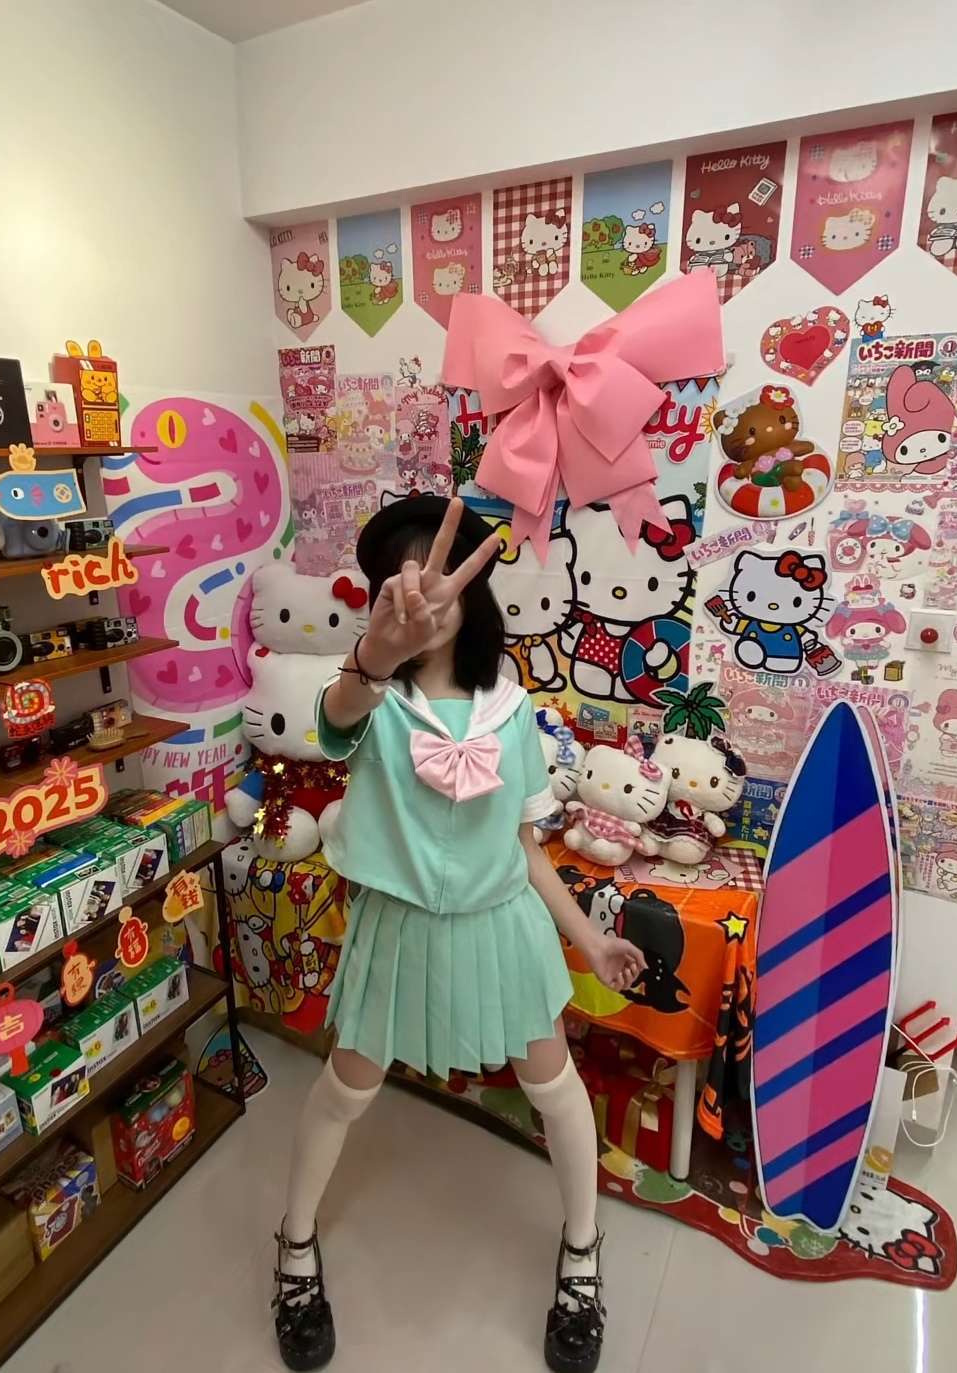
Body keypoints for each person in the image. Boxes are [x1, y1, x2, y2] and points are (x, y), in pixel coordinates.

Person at [272, 497, 646, 1373]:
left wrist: (589, 942)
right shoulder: (370, 696)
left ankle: (582, 1253)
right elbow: (334, 723)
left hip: (500, 928)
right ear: (382, 597)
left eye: (442, 578)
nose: (424, 595)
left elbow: (524, 845)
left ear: (474, 593)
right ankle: (293, 1244)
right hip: (395, 929)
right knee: (346, 1088)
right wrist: (374, 657)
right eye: (403, 580)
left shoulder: (511, 710)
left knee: (554, 1084)